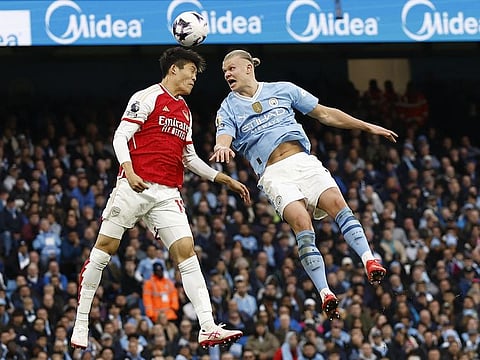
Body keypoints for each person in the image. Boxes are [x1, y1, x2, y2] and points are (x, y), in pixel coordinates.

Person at [71, 47, 251, 349]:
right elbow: (120, 136)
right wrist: (128, 170)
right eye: (191, 72)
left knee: (187, 252)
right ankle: (81, 321)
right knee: (105, 250)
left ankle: (207, 326)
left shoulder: (184, 111)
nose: (194, 78)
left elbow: (189, 158)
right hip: (133, 186)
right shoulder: (146, 97)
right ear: (174, 70)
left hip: (166, 193)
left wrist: (223, 179)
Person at [210, 49, 398, 320]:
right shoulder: (228, 107)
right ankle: (325, 293)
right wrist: (221, 147)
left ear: (249, 68)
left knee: (338, 204)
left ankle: (369, 259)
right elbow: (223, 137)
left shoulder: (283, 90)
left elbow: (325, 114)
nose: (227, 74)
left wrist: (367, 126)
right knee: (302, 223)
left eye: (232, 68)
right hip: (274, 173)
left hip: (303, 161)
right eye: (224, 71)